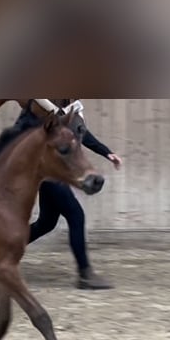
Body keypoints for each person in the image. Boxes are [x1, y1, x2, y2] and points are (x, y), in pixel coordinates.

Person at [24, 100, 122, 289]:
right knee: (76, 216)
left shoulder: (70, 108)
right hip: (52, 174)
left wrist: (107, 153)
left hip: (53, 174)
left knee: (46, 223)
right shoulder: (48, 108)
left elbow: (81, 134)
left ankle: (1, 249)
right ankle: (85, 274)